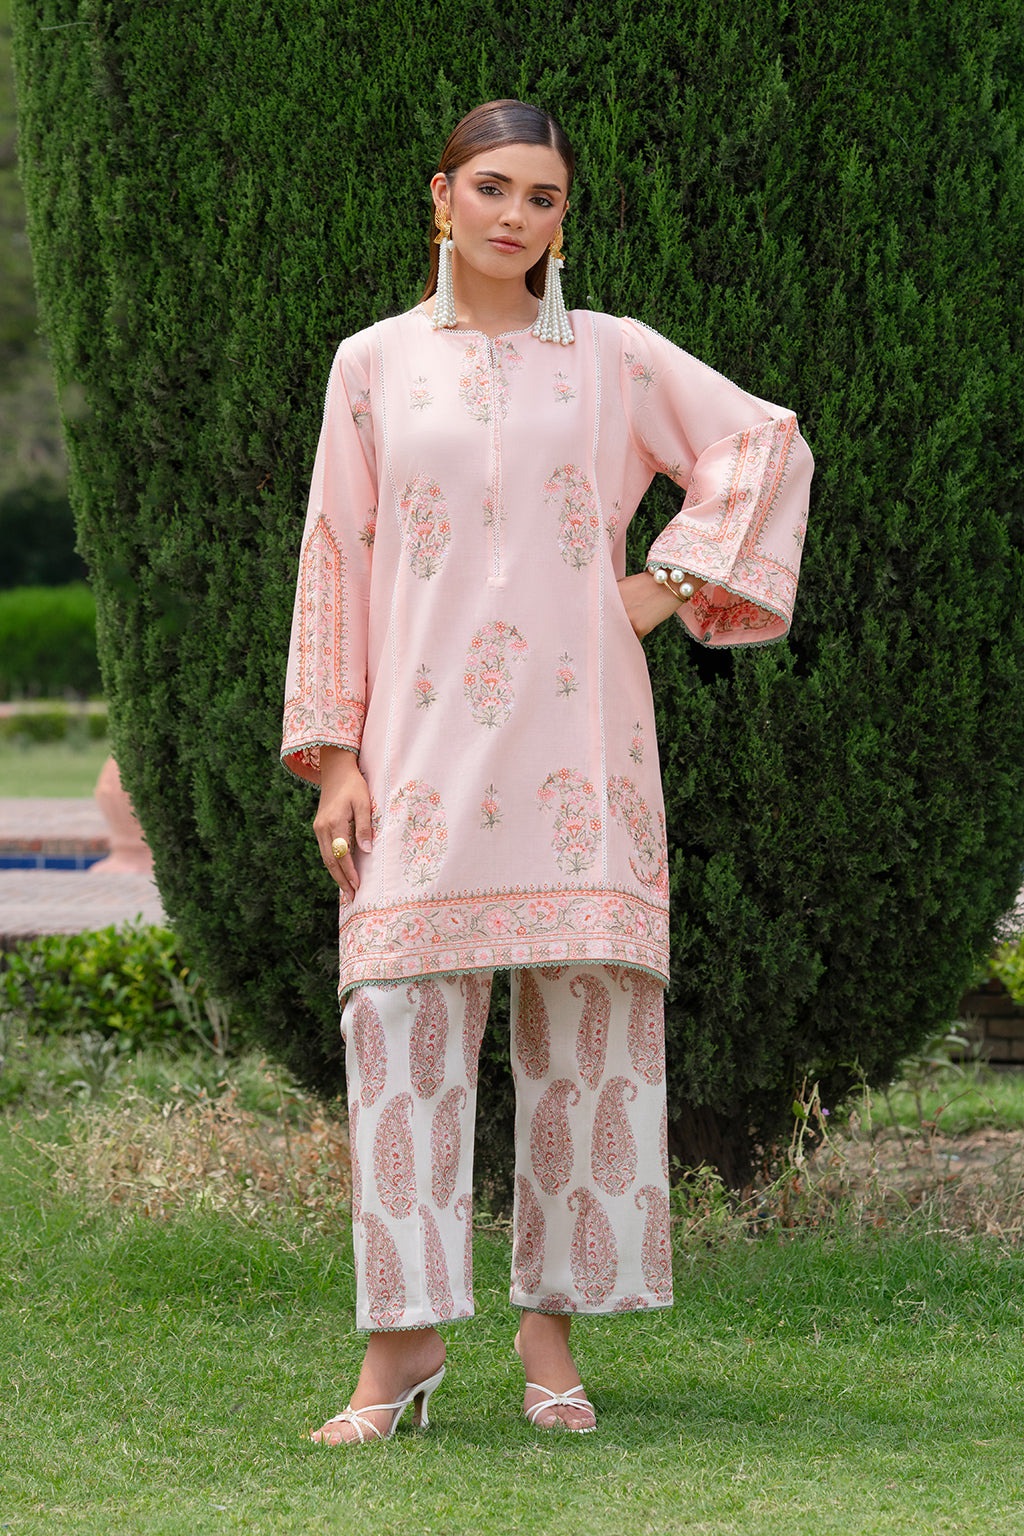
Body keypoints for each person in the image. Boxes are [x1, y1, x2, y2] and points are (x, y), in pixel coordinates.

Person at [281, 99, 813, 1445]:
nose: (519, 217)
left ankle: (548, 1341)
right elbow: (335, 557)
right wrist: (335, 756)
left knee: (586, 1040)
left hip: (581, 745)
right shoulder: (374, 366)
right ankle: (399, 1351)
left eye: (547, 198)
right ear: (442, 195)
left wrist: (659, 581)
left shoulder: (615, 362)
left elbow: (763, 444)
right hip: (416, 750)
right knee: (397, 1022)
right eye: (496, 189)